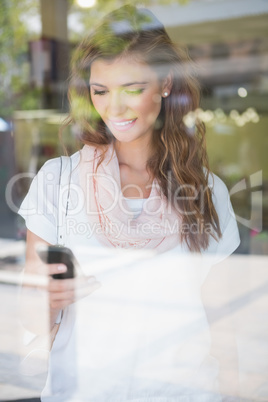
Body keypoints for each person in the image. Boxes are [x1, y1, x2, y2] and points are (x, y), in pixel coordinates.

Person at [18, 5, 240, 401]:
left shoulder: (207, 190)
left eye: (132, 89)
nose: (113, 109)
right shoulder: (58, 180)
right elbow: (29, 320)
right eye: (100, 91)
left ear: (166, 84)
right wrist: (49, 299)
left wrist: (236, 392)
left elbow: (222, 323)